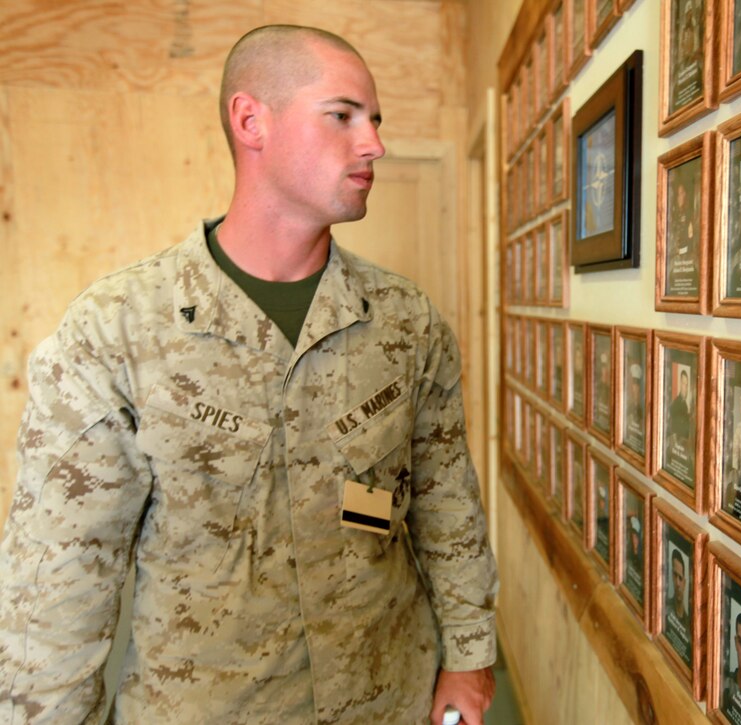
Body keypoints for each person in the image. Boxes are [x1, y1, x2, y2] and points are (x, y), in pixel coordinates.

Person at [0, 25, 497, 725]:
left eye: (375, 120)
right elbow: (60, 582)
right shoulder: (117, 329)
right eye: (343, 115)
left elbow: (445, 501)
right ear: (251, 120)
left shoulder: (405, 321)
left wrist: (471, 655)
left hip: (388, 697)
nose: (374, 143)